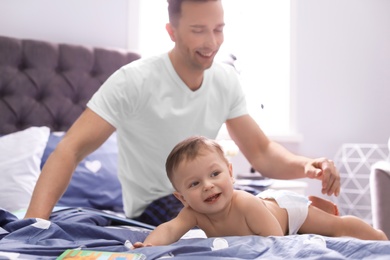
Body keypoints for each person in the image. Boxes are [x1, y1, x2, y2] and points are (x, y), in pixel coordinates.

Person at [24, 0, 340, 226]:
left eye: (218, 29)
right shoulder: (133, 81)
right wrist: (33, 224)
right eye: (199, 30)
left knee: (281, 208)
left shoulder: (225, 79)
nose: (211, 42)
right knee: (240, 221)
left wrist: (307, 165)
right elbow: (71, 149)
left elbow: (261, 150)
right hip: (157, 205)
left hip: (214, 193)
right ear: (171, 31)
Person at [133, 136, 387, 248]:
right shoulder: (193, 214)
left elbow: (278, 241)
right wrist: (147, 245)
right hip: (271, 212)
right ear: (181, 197)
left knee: (336, 227)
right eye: (194, 184)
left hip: (287, 211)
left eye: (214, 174)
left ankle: (376, 235)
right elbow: (169, 229)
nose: (208, 186)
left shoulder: (244, 204)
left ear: (230, 173)